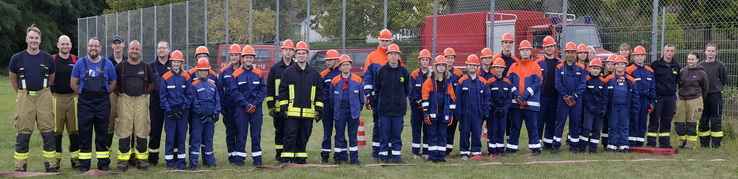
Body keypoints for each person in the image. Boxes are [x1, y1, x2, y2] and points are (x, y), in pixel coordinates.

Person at [9, 24, 59, 172]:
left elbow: (51, 79)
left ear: (40, 40)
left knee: (48, 131)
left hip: (44, 95)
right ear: (26, 39)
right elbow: (13, 80)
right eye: (31, 37)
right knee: (23, 132)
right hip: (25, 96)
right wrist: (22, 93)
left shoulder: (48, 58)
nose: (34, 40)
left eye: (36, 38)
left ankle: (51, 165)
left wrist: (41, 92)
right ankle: (20, 167)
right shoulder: (17, 58)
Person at [71, 37, 118, 173]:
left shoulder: (108, 63)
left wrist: (105, 93)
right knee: (84, 134)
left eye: (96, 46)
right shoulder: (80, 63)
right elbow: (73, 83)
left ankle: (103, 164)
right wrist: (81, 93)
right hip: (85, 104)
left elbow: (114, 82)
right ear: (87, 47)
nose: (93, 48)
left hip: (102, 104)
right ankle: (84, 165)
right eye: (91, 45)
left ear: (100, 48)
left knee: (102, 134)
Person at [278, 41, 323, 164]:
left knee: (304, 136)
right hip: (292, 112)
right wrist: (283, 108)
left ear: (307, 55)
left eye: (304, 53)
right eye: (299, 53)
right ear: (295, 55)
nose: (301, 55)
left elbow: (320, 92)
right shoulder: (288, 72)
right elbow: (282, 90)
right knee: (290, 136)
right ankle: (286, 159)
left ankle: (300, 159)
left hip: (308, 113)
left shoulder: (314, 74)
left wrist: (319, 109)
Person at [113, 40, 154, 172]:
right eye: (132, 49)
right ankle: (122, 163)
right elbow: (114, 84)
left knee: (141, 130)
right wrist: (122, 96)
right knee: (124, 130)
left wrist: (143, 95)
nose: (134, 51)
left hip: (141, 100)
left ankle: (142, 162)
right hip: (125, 100)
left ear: (140, 51)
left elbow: (151, 85)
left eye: (137, 49)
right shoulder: (120, 67)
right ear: (128, 50)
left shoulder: (146, 67)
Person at [363, 29, 402, 160]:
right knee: (378, 124)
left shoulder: (396, 56)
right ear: (379, 40)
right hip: (377, 98)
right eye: (383, 40)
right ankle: (376, 152)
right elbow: (368, 77)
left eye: (387, 41)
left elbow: (402, 78)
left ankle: (390, 151)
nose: (385, 43)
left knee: (392, 126)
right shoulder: (372, 56)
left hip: (393, 100)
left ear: (391, 41)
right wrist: (369, 95)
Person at [230, 45, 267, 166]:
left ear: (253, 59)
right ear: (243, 58)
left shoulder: (259, 73)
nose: (249, 60)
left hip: (256, 108)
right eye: (246, 57)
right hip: (241, 108)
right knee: (241, 134)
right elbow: (234, 91)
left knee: (256, 134)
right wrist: (246, 104)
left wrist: (254, 104)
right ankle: (240, 160)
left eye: (251, 58)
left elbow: (263, 90)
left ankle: (257, 160)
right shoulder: (236, 74)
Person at [375, 44, 411, 163]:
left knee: (396, 134)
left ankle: (396, 157)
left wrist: (400, 100)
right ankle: (384, 157)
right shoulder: (381, 71)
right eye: (391, 54)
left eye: (395, 54)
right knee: (384, 134)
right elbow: (377, 89)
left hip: (398, 109)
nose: (393, 56)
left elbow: (407, 90)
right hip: (384, 109)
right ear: (387, 56)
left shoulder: (404, 72)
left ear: (399, 56)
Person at [506, 40, 543, 155]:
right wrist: (517, 96)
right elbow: (508, 82)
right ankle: (512, 148)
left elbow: (537, 83)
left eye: (527, 50)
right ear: (519, 52)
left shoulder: (535, 66)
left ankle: (535, 148)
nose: (525, 52)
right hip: (516, 103)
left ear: (530, 51)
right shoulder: (513, 66)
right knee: (515, 126)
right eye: (522, 50)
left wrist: (524, 96)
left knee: (532, 126)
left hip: (530, 104)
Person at [329, 54, 365, 165]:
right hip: (340, 112)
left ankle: (354, 158)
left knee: (352, 135)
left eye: (347, 65)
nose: (345, 67)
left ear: (350, 66)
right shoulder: (335, 81)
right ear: (340, 67)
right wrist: (336, 109)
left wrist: (357, 109)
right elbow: (331, 99)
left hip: (353, 112)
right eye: (343, 65)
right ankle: (339, 157)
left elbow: (361, 99)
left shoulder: (357, 80)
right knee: (339, 135)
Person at [421, 55, 457, 163]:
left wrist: (450, 113)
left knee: (442, 133)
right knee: (432, 134)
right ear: (435, 67)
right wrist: (426, 113)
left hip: (444, 111)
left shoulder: (448, 82)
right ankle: (433, 156)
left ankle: (441, 156)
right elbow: (425, 97)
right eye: (439, 65)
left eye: (443, 65)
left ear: (446, 67)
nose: (441, 67)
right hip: (432, 111)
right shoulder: (429, 82)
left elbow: (452, 97)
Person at [51, 35, 80, 169]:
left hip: (72, 98)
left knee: (74, 130)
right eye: (62, 44)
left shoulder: (75, 60)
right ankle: (55, 161)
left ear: (71, 45)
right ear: (58, 45)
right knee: (57, 131)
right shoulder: (52, 60)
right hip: (56, 98)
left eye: (67, 44)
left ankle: (76, 160)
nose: (65, 47)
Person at [552, 42, 586, 154]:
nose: (570, 55)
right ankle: (556, 145)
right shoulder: (559, 67)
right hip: (563, 100)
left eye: (572, 52)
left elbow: (582, 84)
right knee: (560, 121)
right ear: (564, 53)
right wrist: (565, 96)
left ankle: (574, 145)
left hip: (577, 100)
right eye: (568, 52)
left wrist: (574, 96)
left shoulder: (581, 68)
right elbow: (557, 84)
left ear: (575, 54)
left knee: (575, 122)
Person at [455, 54, 491, 160]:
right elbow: (458, 99)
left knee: (476, 133)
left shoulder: (483, 82)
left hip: (478, 114)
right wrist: (458, 114)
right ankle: (464, 152)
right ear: (467, 66)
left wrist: (486, 112)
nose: (472, 67)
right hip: (465, 114)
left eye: (474, 65)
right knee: (464, 133)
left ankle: (476, 151)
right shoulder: (462, 81)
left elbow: (487, 98)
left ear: (477, 67)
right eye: (470, 65)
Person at [160, 50, 191, 170]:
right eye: (174, 62)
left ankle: (181, 161)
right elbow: (163, 96)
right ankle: (170, 162)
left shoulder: (186, 76)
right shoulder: (166, 77)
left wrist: (183, 109)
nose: (176, 64)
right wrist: (169, 110)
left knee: (181, 137)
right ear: (171, 62)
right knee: (170, 137)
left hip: (182, 112)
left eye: (179, 62)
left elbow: (189, 95)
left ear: (181, 63)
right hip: (170, 112)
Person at [188, 46, 218, 166]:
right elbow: (192, 97)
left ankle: (209, 161)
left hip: (210, 115)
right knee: (195, 138)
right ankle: (193, 162)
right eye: (200, 56)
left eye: (204, 55)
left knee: (208, 139)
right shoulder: (190, 76)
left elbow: (217, 98)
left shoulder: (213, 80)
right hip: (196, 115)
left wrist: (216, 112)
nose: (203, 72)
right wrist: (198, 113)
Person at [266, 39, 295, 162]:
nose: (288, 52)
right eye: (285, 50)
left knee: (292, 132)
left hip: (294, 107)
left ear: (293, 52)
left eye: (290, 50)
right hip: (278, 108)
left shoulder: (297, 67)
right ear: (282, 51)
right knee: (280, 131)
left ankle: (290, 155)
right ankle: (279, 155)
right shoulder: (275, 68)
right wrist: (270, 105)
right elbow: (270, 87)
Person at [603, 55, 639, 153]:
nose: (619, 66)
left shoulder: (631, 80)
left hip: (625, 107)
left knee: (624, 126)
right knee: (613, 125)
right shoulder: (608, 79)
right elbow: (605, 96)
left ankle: (624, 145)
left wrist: (635, 108)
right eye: (617, 64)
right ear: (614, 66)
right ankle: (612, 145)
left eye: (622, 64)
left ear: (625, 66)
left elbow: (635, 96)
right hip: (613, 107)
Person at [647, 44, 680, 148]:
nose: (669, 53)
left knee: (667, 121)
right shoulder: (655, 64)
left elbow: (677, 80)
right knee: (654, 120)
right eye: (667, 50)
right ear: (663, 52)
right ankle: (651, 143)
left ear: (674, 53)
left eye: (671, 51)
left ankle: (664, 144)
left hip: (670, 97)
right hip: (658, 97)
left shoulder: (676, 66)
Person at [674, 52, 709, 149]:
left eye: (692, 59)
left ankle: (690, 144)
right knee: (679, 123)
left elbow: (705, 88)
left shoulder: (702, 73)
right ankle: (681, 142)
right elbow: (679, 85)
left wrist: (700, 98)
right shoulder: (682, 71)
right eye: (689, 59)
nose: (690, 61)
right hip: (682, 99)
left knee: (692, 123)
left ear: (697, 60)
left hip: (695, 99)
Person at [625, 46, 655, 147]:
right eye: (637, 55)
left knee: (642, 122)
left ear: (645, 57)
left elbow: (652, 87)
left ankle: (640, 143)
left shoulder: (650, 71)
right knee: (633, 120)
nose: (640, 58)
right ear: (633, 57)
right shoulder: (629, 70)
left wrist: (652, 101)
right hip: (634, 100)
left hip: (645, 100)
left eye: (642, 55)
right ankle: (631, 143)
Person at [698, 43, 727, 148]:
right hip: (703, 96)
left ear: (716, 52)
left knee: (716, 120)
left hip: (716, 96)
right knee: (703, 120)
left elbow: (723, 79)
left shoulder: (720, 65)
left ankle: (716, 145)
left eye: (712, 51)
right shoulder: (700, 65)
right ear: (705, 52)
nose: (710, 53)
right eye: (708, 51)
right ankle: (704, 144)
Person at [148, 41, 172, 165]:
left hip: (171, 104)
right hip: (156, 104)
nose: (161, 50)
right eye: (159, 48)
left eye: (163, 48)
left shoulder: (174, 64)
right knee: (155, 131)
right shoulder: (151, 66)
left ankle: (173, 157)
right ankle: (152, 159)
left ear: (168, 50)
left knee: (172, 132)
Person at [536, 36, 562, 150]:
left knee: (551, 121)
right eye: (547, 47)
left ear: (555, 47)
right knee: (539, 121)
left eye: (551, 46)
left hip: (555, 97)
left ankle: (548, 143)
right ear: (543, 48)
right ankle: (536, 143)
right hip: (542, 96)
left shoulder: (560, 63)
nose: (550, 48)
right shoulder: (538, 63)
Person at [219, 44, 243, 164]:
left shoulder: (244, 70)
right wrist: (222, 106)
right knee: (230, 132)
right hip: (228, 105)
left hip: (240, 105)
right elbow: (219, 89)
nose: (234, 57)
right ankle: (231, 156)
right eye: (232, 55)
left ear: (240, 56)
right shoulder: (224, 71)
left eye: (236, 55)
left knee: (240, 131)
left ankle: (239, 155)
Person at [486, 58, 512, 157]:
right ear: (493, 68)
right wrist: (494, 108)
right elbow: (488, 96)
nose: (499, 70)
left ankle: (500, 150)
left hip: (503, 112)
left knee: (501, 130)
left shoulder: (507, 82)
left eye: (501, 68)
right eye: (497, 68)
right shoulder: (490, 81)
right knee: (493, 131)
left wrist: (504, 109)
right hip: (493, 112)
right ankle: (492, 150)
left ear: (503, 69)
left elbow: (509, 98)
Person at [409, 49, 432, 159]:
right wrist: (419, 101)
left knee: (427, 130)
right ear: (420, 61)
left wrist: (428, 103)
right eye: (423, 59)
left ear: (429, 61)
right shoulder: (414, 74)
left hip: (429, 108)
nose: (424, 62)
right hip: (417, 108)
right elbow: (411, 91)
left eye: (426, 60)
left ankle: (426, 151)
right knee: (416, 129)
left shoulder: (432, 74)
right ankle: (416, 152)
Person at [580, 58, 607, 153]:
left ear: (600, 70)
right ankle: (582, 146)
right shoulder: (586, 80)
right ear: (590, 68)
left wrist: (604, 109)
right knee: (587, 127)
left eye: (597, 68)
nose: (595, 70)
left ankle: (593, 147)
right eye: (594, 68)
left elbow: (605, 96)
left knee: (597, 128)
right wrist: (589, 106)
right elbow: (585, 95)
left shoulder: (603, 82)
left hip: (599, 108)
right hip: (589, 108)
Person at [320, 49, 342, 163]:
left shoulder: (342, 72)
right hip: (327, 106)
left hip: (339, 106)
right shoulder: (324, 74)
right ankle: (325, 155)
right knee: (327, 131)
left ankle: (339, 155)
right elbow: (319, 90)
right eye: (326, 60)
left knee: (340, 131)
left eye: (330, 60)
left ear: (337, 60)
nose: (328, 62)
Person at [106, 35, 128, 150]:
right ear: (112, 45)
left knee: (125, 124)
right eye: (115, 43)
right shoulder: (107, 61)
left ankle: (125, 153)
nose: (117, 45)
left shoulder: (128, 61)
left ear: (123, 44)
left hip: (125, 96)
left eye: (119, 43)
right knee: (109, 124)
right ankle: (106, 153)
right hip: (111, 96)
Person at [442, 47, 463, 155]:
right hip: (442, 105)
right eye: (447, 58)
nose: (449, 60)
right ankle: (441, 146)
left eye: (451, 58)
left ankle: (448, 148)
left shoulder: (458, 74)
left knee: (452, 127)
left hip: (454, 106)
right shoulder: (440, 71)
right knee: (442, 127)